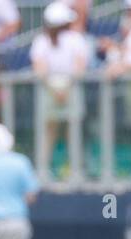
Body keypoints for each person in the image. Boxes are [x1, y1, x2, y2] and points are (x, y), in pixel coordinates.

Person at [30, 2, 91, 176]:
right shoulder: (42, 40)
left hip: (66, 87)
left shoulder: (75, 39)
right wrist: (57, 89)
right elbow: (40, 68)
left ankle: (76, 169)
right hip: (53, 88)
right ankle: (43, 169)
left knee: (73, 130)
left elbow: (80, 66)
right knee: (50, 130)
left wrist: (62, 88)